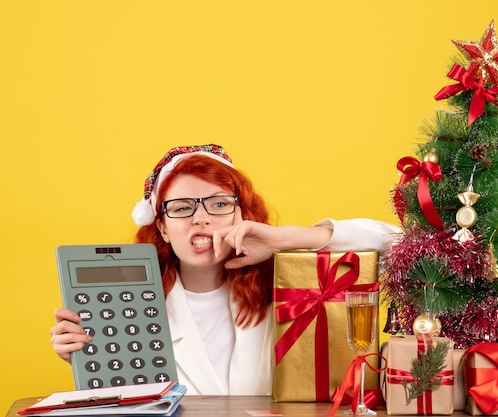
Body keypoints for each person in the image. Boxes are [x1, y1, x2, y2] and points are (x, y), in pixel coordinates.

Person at [50, 144, 400, 395]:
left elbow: (399, 243)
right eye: (183, 208)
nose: (201, 218)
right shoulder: (127, 309)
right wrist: (94, 356)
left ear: (241, 215)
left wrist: (283, 239)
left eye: (218, 204)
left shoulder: (285, 286)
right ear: (162, 228)